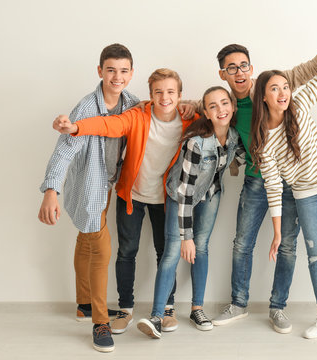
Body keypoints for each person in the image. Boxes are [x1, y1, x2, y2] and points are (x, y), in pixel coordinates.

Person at [210, 8, 317, 334]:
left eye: (243, 65)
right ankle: (238, 304)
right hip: (258, 182)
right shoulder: (225, 103)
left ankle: (278, 308)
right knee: (242, 242)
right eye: (232, 68)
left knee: (287, 246)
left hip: (296, 184)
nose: (239, 72)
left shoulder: (273, 86)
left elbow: (316, 66)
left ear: (251, 68)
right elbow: (199, 110)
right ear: (223, 74)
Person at [52, 68, 199, 336]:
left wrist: (194, 108)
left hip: (167, 201)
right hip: (132, 196)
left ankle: (167, 307)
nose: (164, 97)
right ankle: (126, 308)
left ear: (180, 95)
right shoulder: (138, 115)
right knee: (126, 252)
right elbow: (109, 125)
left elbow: (219, 114)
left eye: (170, 92)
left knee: (165, 253)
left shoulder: (192, 121)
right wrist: (76, 127)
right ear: (150, 95)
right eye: (158, 92)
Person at [38, 43, 139, 353]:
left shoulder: (134, 104)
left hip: (113, 185)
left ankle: (83, 304)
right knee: (101, 249)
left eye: (123, 71)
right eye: (110, 70)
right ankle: (99, 322)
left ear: (131, 74)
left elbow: (161, 111)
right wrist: (51, 191)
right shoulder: (85, 108)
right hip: (88, 187)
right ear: (100, 71)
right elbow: (64, 150)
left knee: (85, 239)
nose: (116, 76)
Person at [136, 86, 246, 338]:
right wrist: (186, 237)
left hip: (211, 195)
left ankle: (197, 308)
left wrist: (236, 166)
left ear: (232, 106)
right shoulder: (196, 143)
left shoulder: (232, 136)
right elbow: (185, 192)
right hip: (181, 197)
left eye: (224, 103)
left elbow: (242, 156)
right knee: (173, 251)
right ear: (205, 112)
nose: (221, 110)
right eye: (213, 106)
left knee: (203, 247)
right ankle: (156, 315)